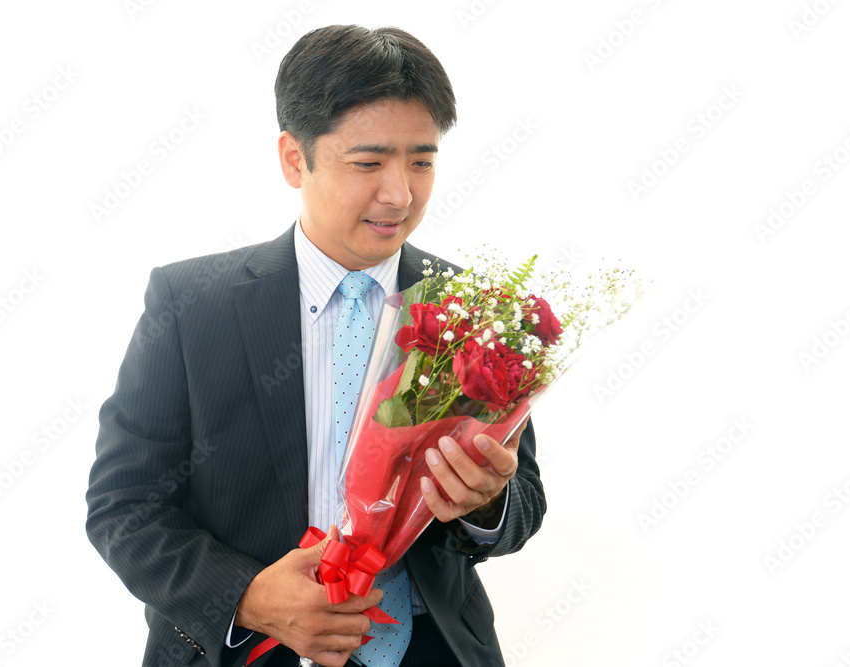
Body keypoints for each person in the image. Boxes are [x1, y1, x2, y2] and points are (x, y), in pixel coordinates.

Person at [85, 24, 545, 667]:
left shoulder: (471, 310)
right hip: (245, 650)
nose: (400, 194)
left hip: (433, 649)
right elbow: (123, 506)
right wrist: (246, 597)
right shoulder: (192, 304)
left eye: (422, 161)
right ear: (293, 158)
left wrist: (487, 502)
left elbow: (524, 503)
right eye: (369, 163)